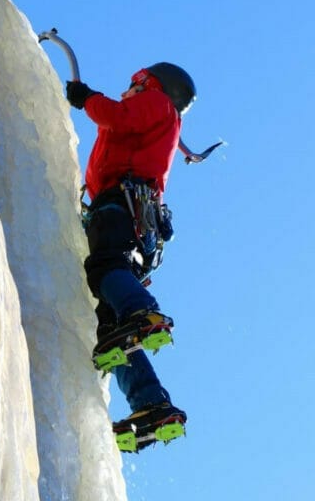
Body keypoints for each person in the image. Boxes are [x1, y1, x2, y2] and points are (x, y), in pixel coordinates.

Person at [66, 62, 195, 451]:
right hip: (135, 220)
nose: (127, 90)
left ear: (150, 84)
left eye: (133, 83)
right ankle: (150, 405)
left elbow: (118, 117)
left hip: (121, 205)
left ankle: (144, 313)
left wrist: (87, 98)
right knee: (111, 332)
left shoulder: (157, 103)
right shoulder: (162, 120)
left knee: (105, 267)